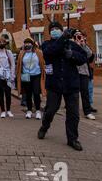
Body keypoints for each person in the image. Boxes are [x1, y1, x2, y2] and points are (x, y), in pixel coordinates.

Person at [37, 22, 88, 152]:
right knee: (50, 110)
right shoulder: (47, 45)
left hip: (71, 84)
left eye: (57, 29)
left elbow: (83, 57)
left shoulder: (71, 45)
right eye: (52, 29)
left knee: (73, 114)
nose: (54, 31)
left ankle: (72, 139)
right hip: (54, 84)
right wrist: (64, 37)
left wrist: (72, 55)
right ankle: (44, 126)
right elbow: (51, 52)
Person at [16, 38, 46, 120]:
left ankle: (38, 110)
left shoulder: (38, 52)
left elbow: (43, 63)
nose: (27, 45)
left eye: (29, 43)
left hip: (36, 75)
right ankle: (29, 110)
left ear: (32, 44)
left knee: (36, 93)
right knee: (28, 94)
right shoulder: (22, 53)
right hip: (26, 76)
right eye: (25, 43)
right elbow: (19, 65)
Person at [0, 36, 16, 119]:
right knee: (1, 94)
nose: (1, 44)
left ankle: (8, 110)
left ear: (5, 43)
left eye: (3, 42)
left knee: (8, 94)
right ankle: (2, 111)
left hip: (7, 76)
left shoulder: (9, 53)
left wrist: (12, 75)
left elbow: (12, 65)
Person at [73, 30, 96, 120]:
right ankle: (73, 111)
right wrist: (75, 44)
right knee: (74, 93)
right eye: (76, 36)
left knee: (85, 92)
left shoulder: (84, 45)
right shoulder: (71, 44)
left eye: (80, 36)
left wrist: (83, 44)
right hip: (73, 72)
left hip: (83, 72)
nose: (78, 37)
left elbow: (90, 55)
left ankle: (87, 111)